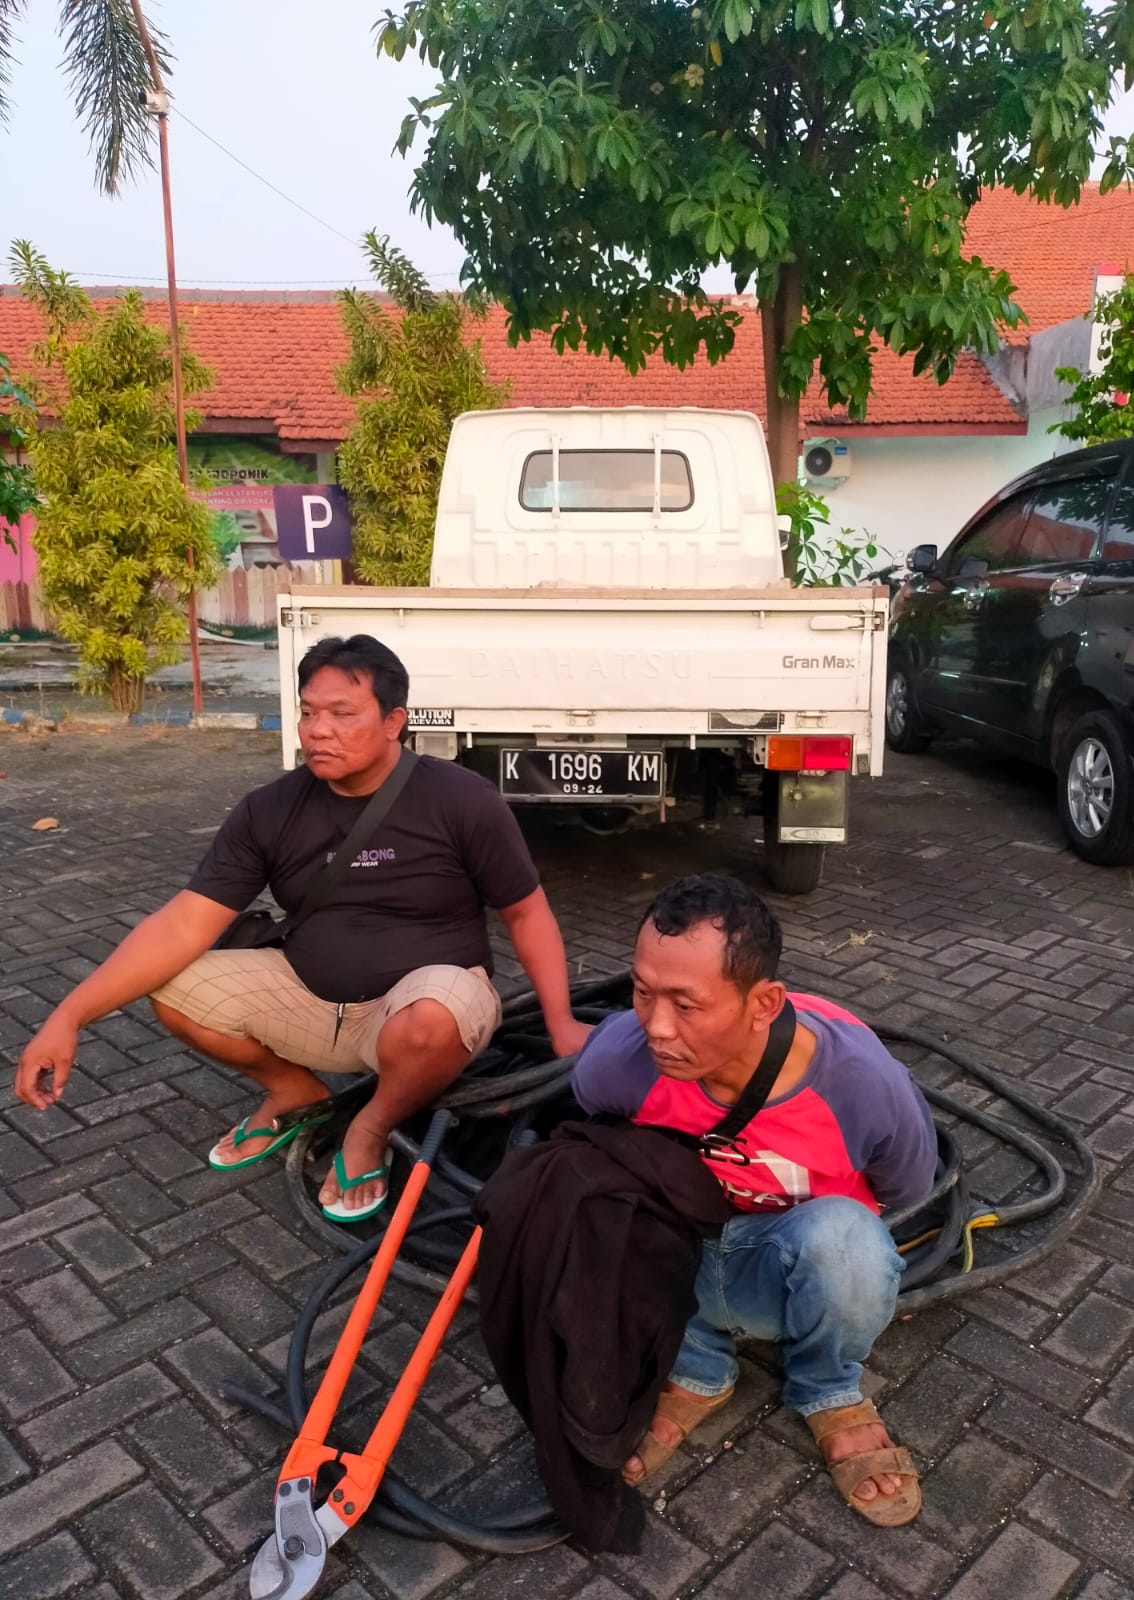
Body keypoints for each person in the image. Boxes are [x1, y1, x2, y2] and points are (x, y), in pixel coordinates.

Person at [15, 633, 590, 1221]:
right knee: (174, 987)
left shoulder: (461, 798)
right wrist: (70, 1016)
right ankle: (296, 1091)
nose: (318, 730)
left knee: (434, 1015)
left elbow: (526, 911)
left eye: (342, 714)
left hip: (426, 1010)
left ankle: (370, 1126)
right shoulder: (270, 809)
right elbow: (183, 923)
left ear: (394, 723)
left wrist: (561, 1023)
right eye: (309, 712)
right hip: (312, 999)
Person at [571, 872, 937, 1527]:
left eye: (687, 1005)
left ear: (764, 1003)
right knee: (582, 1188)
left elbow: (906, 1190)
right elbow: (593, 1128)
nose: (656, 1028)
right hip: (683, 1260)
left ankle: (828, 1387)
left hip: (796, 1266)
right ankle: (696, 1366)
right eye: (643, 992)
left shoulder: (862, 1085)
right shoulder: (619, 1064)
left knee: (849, 1240)